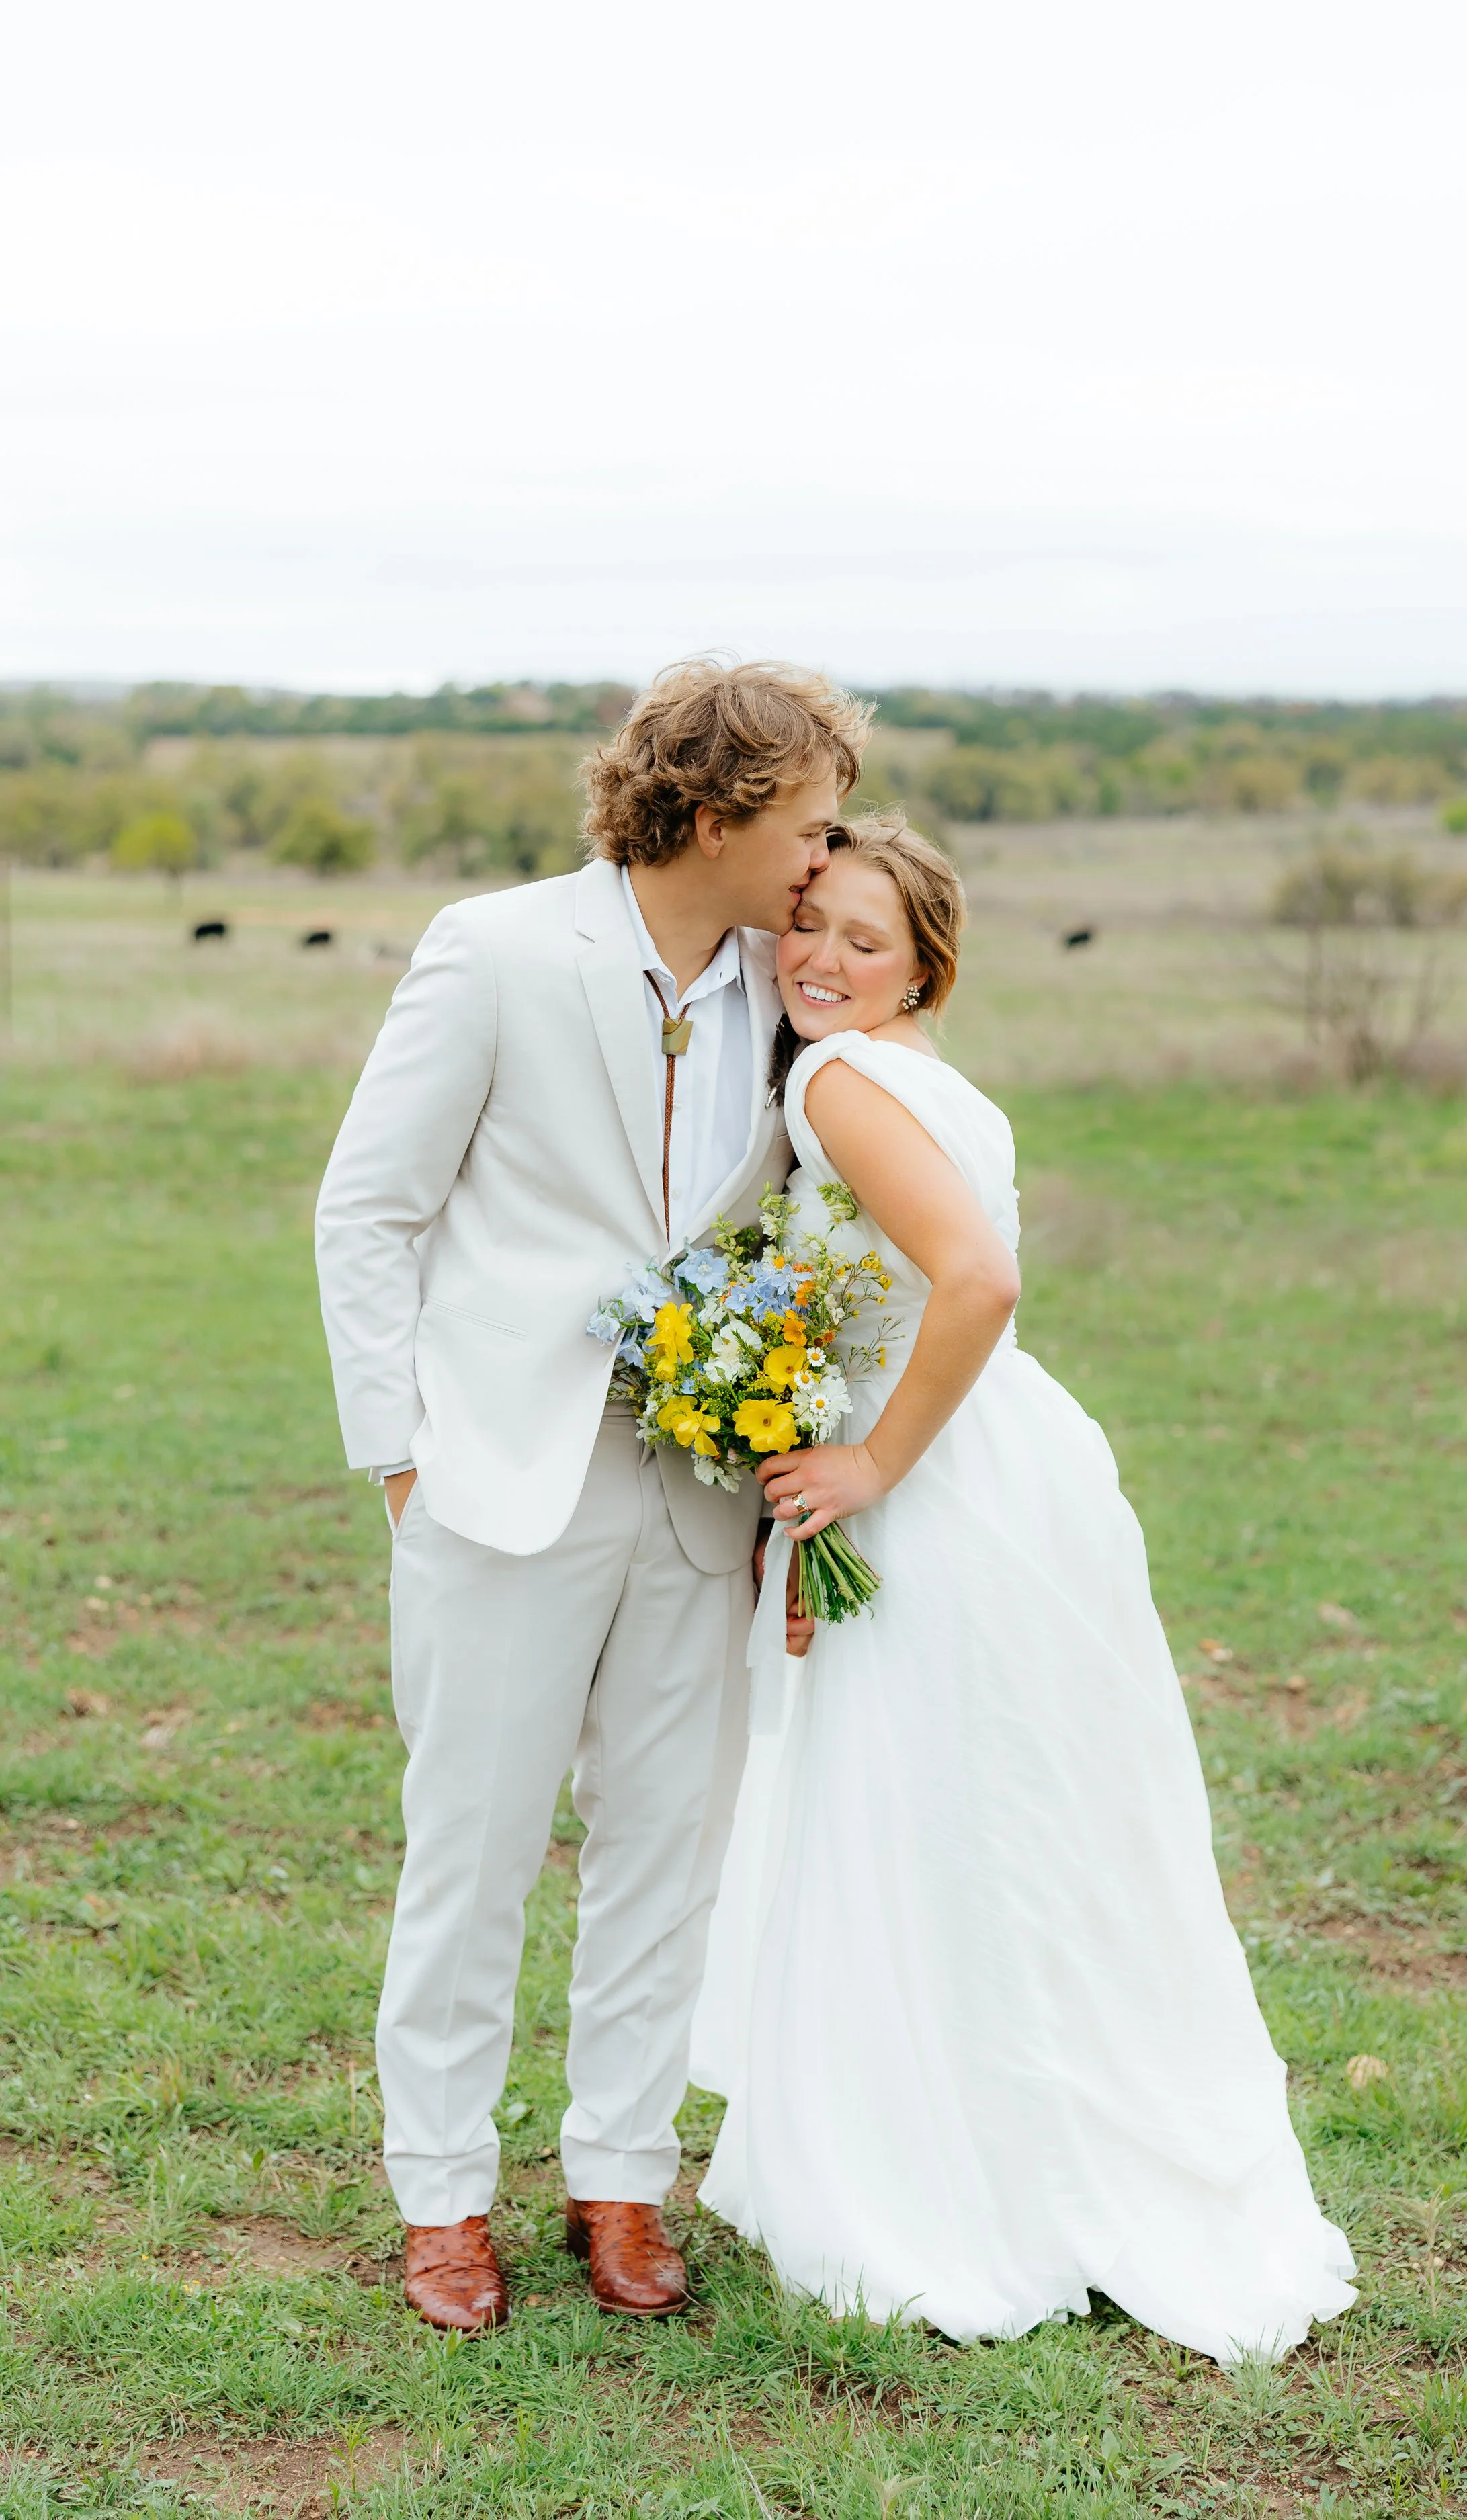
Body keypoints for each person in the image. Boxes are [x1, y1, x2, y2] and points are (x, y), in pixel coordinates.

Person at [690, 814, 1357, 2364]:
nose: (821, 960)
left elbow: (978, 1279)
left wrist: (862, 1475)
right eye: (808, 929)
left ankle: (953, 2179)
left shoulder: (837, 1079)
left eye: (865, 939)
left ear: (926, 964)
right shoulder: (925, 1079)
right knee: (1012, 1806)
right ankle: (1031, 2143)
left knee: (927, 1811)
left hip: (939, 1481)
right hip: (1015, 1469)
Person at [315, 659, 872, 2331]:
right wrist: (399, 1458)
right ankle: (440, 2201)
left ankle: (619, 2181)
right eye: (807, 819)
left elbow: (817, 1223)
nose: (825, 856)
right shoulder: (492, 948)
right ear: (712, 811)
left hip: (702, 1489)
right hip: (493, 1480)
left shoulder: (799, 988)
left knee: (667, 1847)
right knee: (469, 1850)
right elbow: (367, 1214)